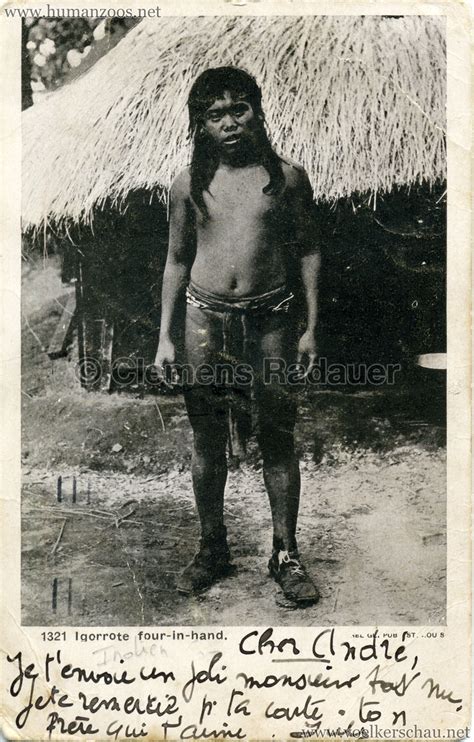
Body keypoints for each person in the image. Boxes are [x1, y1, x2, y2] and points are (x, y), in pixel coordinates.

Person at [155, 67, 321, 605]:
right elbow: (177, 259)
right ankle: (212, 547)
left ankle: (285, 553)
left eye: (239, 109)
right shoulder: (188, 184)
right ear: (200, 124)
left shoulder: (287, 179)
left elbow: (309, 250)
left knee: (276, 435)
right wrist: (165, 337)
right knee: (207, 440)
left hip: (271, 320)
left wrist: (311, 326)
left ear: (257, 111)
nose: (229, 123)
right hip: (205, 321)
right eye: (215, 114)